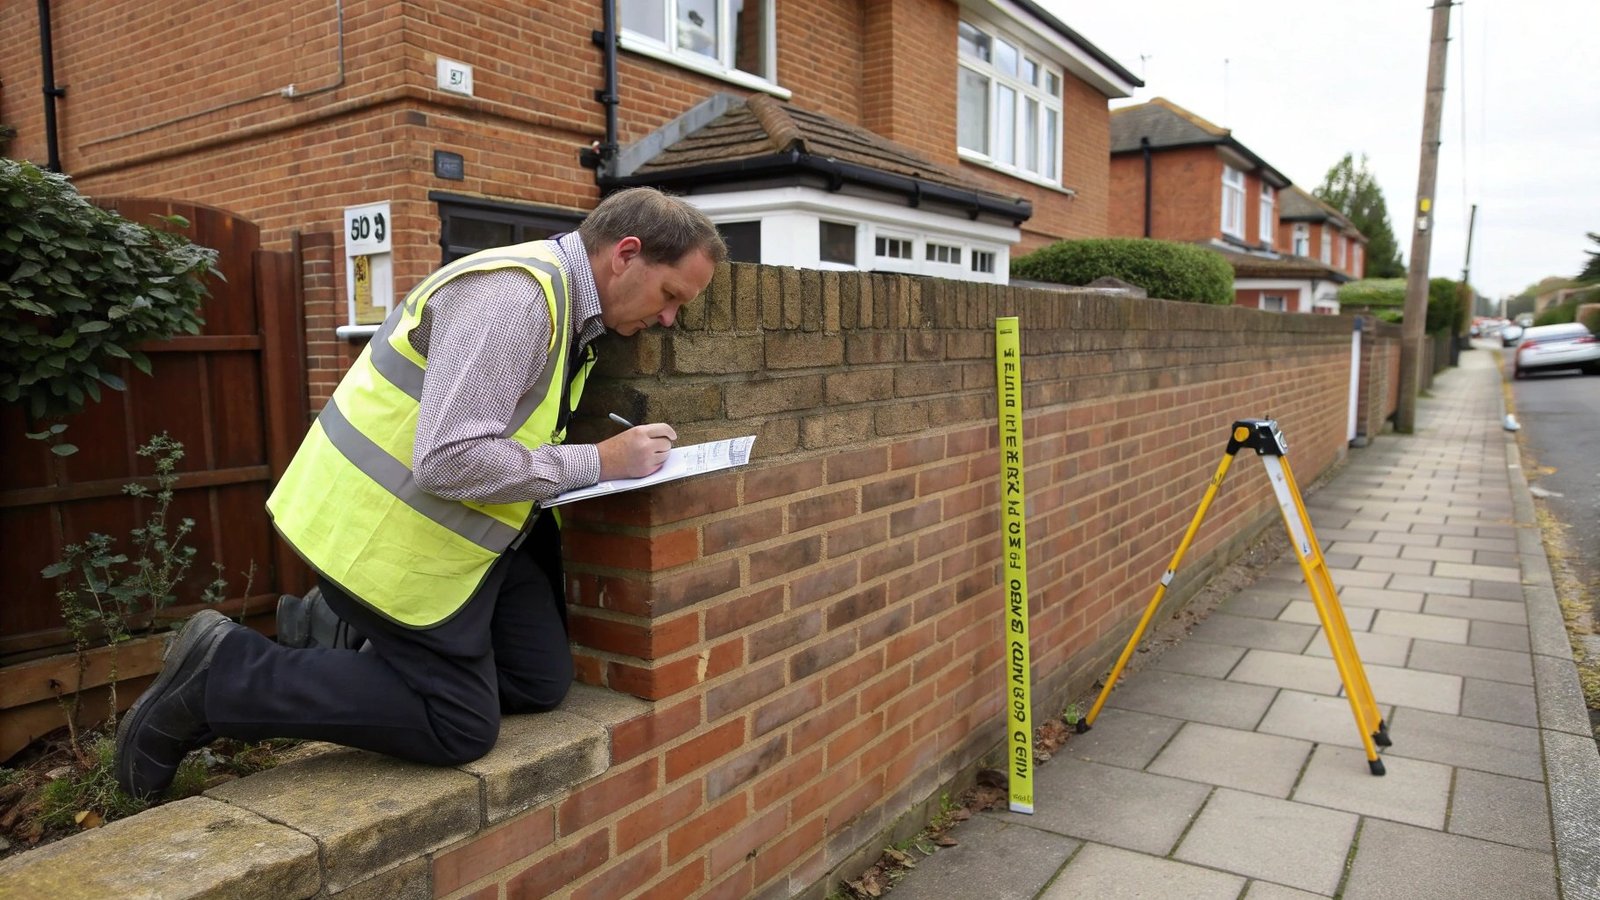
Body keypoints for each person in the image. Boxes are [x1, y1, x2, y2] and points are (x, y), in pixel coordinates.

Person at [115, 187, 727, 800]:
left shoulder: (572, 311)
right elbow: (447, 459)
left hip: (465, 534)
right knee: (458, 724)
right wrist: (601, 461)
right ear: (625, 255)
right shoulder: (516, 299)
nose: (668, 319)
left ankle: (342, 639)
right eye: (670, 295)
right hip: (377, 534)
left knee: (536, 680)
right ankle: (222, 674)